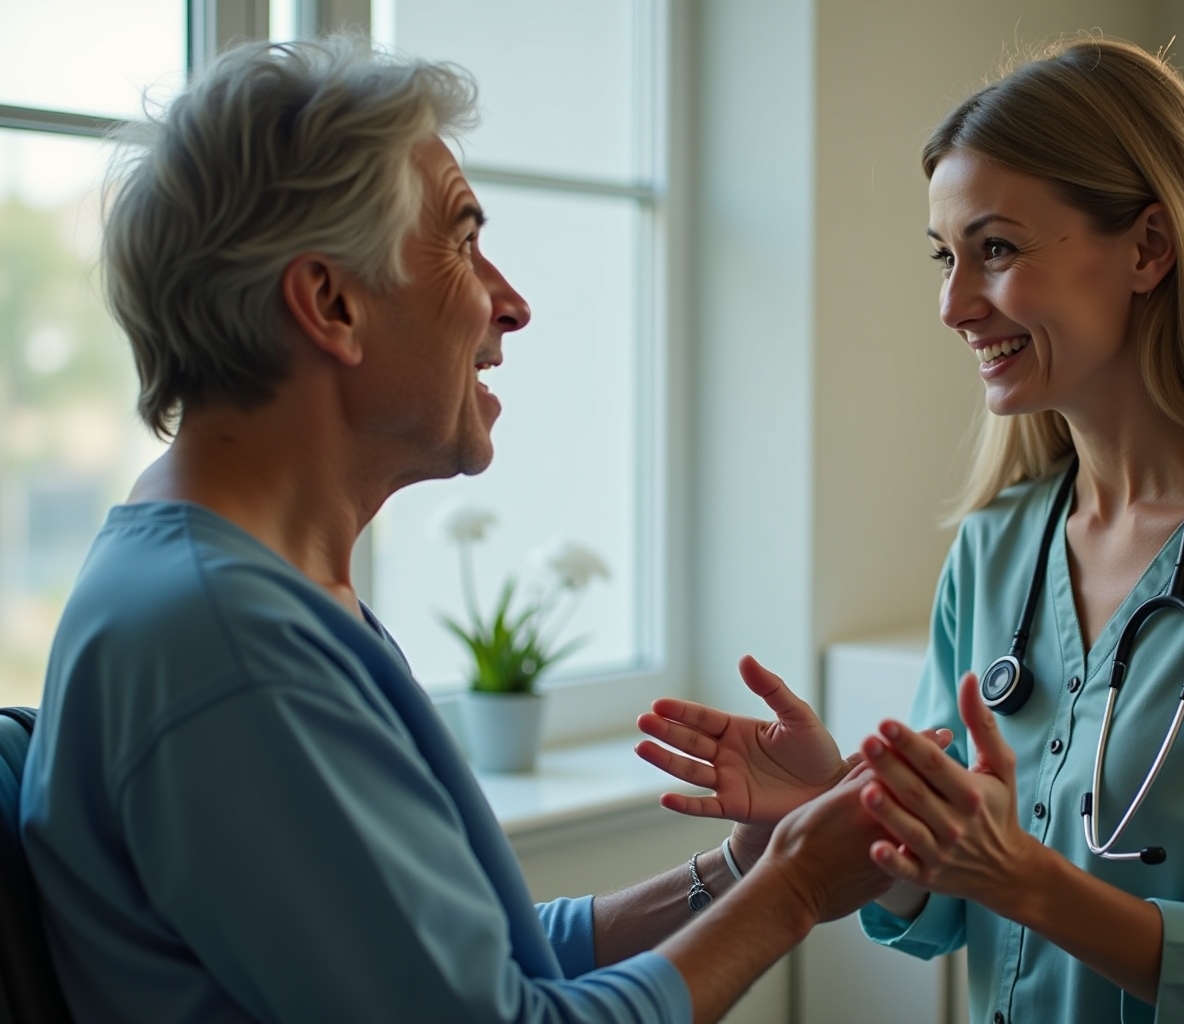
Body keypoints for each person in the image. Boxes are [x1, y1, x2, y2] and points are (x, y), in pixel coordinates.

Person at [18, 37, 895, 1024]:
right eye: (463, 240)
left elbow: (489, 967)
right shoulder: (229, 640)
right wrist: (793, 890)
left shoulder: (254, 588)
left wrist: (743, 864)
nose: (510, 303)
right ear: (331, 303)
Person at [637, 36, 1184, 1023]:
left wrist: (1022, 876)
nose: (953, 304)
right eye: (946, 256)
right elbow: (934, 910)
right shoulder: (997, 550)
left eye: (997, 249)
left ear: (1150, 247)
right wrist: (860, 819)